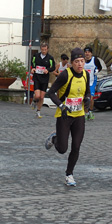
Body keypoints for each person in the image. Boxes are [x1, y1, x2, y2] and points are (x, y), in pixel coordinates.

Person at [44, 48, 91, 187]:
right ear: (71, 63)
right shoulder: (65, 75)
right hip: (64, 115)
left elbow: (88, 92)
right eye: (77, 61)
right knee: (62, 149)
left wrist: (88, 98)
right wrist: (61, 106)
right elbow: (51, 93)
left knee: (76, 146)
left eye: (82, 61)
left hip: (79, 115)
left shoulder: (86, 75)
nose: (80, 64)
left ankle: (69, 174)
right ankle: (54, 138)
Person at [30, 43, 55, 119]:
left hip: (44, 79)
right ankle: (34, 101)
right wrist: (33, 68)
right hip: (37, 77)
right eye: (42, 50)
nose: (44, 51)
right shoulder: (36, 56)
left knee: (41, 97)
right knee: (37, 96)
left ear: (47, 49)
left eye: (45, 50)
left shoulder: (50, 58)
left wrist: (48, 70)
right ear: (40, 49)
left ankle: (38, 111)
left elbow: (53, 67)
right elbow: (32, 63)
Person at [83, 47, 102, 121]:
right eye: (86, 52)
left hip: (92, 81)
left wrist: (97, 70)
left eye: (88, 52)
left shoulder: (95, 60)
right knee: (84, 98)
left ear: (91, 53)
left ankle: (90, 111)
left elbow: (100, 67)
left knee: (90, 98)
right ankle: (86, 112)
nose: (87, 54)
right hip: (84, 81)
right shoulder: (82, 60)